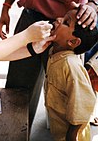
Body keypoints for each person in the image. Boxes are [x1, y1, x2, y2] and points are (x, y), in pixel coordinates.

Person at [44, 8, 98, 141]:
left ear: (73, 42)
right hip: (59, 128)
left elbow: (84, 103)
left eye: (66, 22)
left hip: (72, 136)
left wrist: (72, 135)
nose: (58, 19)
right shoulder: (53, 50)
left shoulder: (71, 66)